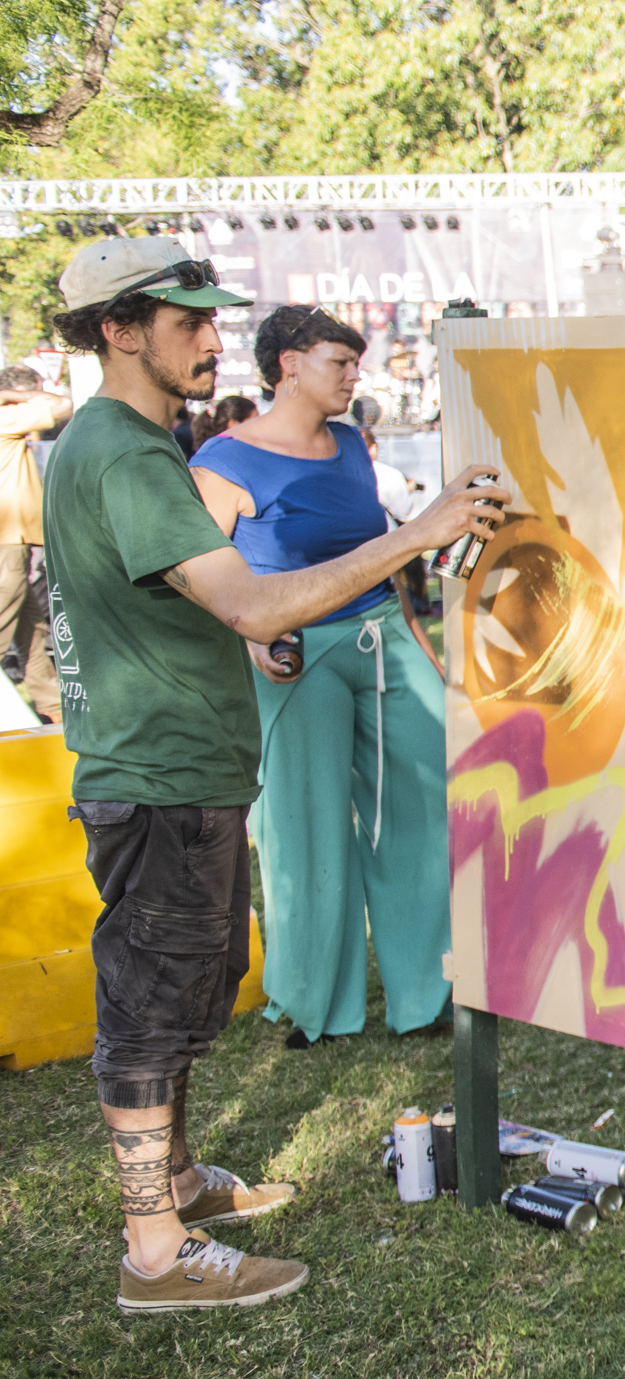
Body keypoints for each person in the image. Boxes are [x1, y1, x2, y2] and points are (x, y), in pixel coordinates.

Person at [42, 240, 500, 1312]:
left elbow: (211, 607)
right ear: (119, 328)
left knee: (188, 986)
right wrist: (420, 534)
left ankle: (184, 1186)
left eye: (212, 318)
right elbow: (254, 601)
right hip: (156, 774)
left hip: (177, 765)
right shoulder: (122, 451)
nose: (212, 339)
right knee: (153, 1004)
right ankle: (156, 1251)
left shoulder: (123, 442)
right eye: (187, 321)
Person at [191, 305, 456, 1048]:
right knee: (303, 826)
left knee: (424, 803)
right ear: (289, 365)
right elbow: (201, 581)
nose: (353, 375)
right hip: (293, 651)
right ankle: (314, 1004)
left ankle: (425, 991)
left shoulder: (347, 445)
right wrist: (248, 645)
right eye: (339, 362)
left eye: (354, 362)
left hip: (382, 638)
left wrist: (419, 646)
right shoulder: (223, 460)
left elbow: (378, 551)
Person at [3, 364, 72, 722]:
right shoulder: (7, 416)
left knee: (32, 632)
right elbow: (63, 405)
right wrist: (15, 396)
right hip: (6, 542)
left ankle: (52, 709)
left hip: (13, 540)